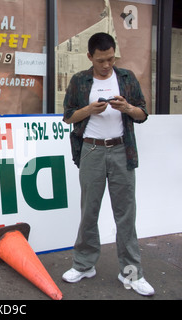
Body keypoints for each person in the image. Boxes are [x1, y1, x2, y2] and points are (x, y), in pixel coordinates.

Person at [61, 32, 154, 296]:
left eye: (111, 59)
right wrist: (89, 110)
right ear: (90, 57)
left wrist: (127, 108)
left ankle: (132, 273)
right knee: (89, 211)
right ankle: (84, 264)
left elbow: (143, 113)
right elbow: (68, 118)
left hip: (122, 150)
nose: (106, 65)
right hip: (91, 150)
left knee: (125, 213)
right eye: (101, 60)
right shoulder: (80, 80)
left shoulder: (125, 78)